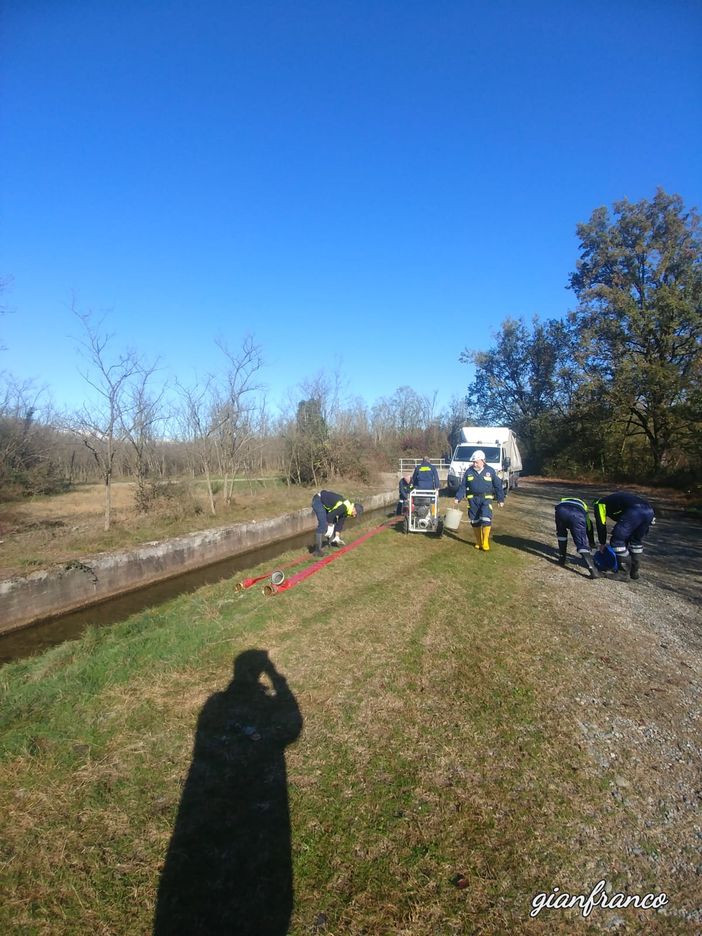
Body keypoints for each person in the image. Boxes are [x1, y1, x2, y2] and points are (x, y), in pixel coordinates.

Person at [592, 491, 655, 580]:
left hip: (635, 511)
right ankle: (634, 570)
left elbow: (601, 524)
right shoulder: (615, 501)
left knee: (617, 541)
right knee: (635, 540)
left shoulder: (599, 505)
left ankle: (623, 573)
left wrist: (602, 543)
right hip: (649, 510)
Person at [453, 449, 504, 551]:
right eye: (473, 462)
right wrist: (458, 497)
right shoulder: (469, 471)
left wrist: (500, 499)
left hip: (486, 499)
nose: (474, 464)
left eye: (476, 462)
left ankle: (485, 542)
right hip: (472, 500)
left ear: (482, 461)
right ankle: (479, 541)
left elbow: (498, 486)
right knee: (475, 521)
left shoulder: (490, 471)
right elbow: (463, 486)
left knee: (486, 519)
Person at [554, 496, 599, 579]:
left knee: (561, 535)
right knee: (581, 543)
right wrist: (591, 542)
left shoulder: (563, 500)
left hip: (561, 510)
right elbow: (589, 527)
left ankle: (561, 559)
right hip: (577, 514)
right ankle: (593, 570)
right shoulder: (583, 506)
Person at [311, 490, 364, 556]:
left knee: (334, 522)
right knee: (323, 524)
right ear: (354, 509)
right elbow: (330, 516)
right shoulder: (344, 507)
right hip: (318, 500)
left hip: (325, 504)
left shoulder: (348, 509)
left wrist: (337, 536)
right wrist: (330, 525)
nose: (354, 516)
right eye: (356, 514)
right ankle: (317, 551)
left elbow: (340, 523)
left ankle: (332, 543)